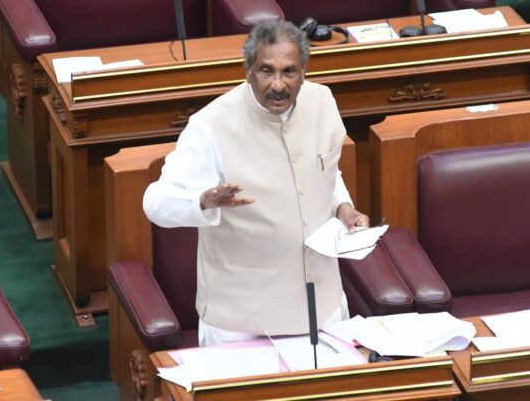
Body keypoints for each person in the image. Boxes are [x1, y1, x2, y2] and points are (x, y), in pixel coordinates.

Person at [143, 19, 369, 346]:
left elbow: (324, 168)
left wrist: (343, 207)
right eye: (266, 71)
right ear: (248, 71)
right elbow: (155, 203)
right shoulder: (210, 126)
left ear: (303, 73)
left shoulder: (323, 102)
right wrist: (203, 201)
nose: (278, 84)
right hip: (240, 323)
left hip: (323, 308)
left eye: (289, 72)